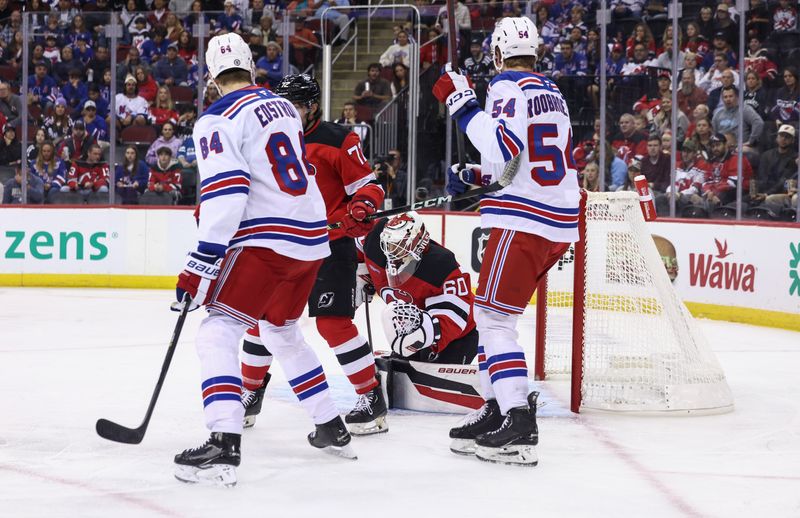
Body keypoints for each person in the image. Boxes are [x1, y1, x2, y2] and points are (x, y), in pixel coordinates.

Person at [172, 34, 353, 487]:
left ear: (212, 78)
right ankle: (330, 424)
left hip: (267, 242)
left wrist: (199, 263)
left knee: (217, 330)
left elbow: (228, 191)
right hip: (311, 240)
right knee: (281, 331)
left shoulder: (216, 119)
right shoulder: (283, 108)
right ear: (252, 68)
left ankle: (224, 440)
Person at [433, 17, 578, 466]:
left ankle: (518, 419)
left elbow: (499, 149)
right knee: (495, 316)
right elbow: (517, 162)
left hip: (524, 221)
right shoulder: (552, 91)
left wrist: (461, 105)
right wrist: (479, 177)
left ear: (497, 54)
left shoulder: (506, 87)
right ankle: (497, 403)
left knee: (493, 321)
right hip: (555, 219)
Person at [238, 74, 387, 436]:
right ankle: (250, 391)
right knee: (262, 320)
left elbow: (368, 186)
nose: (288, 114)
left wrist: (362, 207)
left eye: (297, 107)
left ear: (314, 107)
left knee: (332, 324)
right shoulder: (270, 140)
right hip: (284, 245)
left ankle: (371, 397)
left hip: (330, 246)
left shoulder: (338, 140)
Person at [359, 211, 479, 362]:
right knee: (400, 368)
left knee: (435, 379)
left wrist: (419, 338)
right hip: (413, 328)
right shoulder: (375, 244)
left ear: (417, 242)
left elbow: (454, 316)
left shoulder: (441, 264)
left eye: (399, 244)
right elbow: (357, 231)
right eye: (389, 244)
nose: (391, 250)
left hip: (459, 336)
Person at [655, 139, 709, 215]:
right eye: (684, 151)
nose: (685, 154)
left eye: (688, 152)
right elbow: (673, 183)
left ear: (694, 153)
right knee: (660, 199)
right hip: (676, 195)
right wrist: (670, 192)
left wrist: (679, 194)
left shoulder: (701, 166)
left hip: (691, 197)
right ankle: (665, 222)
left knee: (680, 200)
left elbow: (695, 188)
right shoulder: (678, 165)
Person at [702, 132, 752, 211]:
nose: (715, 148)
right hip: (718, 191)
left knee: (713, 200)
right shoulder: (712, 161)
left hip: (739, 191)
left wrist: (714, 192)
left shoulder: (737, 159)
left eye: (718, 145)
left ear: (725, 145)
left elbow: (734, 182)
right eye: (713, 146)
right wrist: (708, 191)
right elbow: (706, 180)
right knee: (697, 198)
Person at [755, 125, 798, 213]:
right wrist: (756, 192)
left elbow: (784, 181)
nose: (783, 139)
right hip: (764, 189)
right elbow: (761, 176)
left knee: (766, 203)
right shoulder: (766, 155)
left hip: (779, 191)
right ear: (776, 138)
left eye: (787, 137)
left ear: (793, 140)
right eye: (781, 136)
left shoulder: (795, 158)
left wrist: (766, 194)